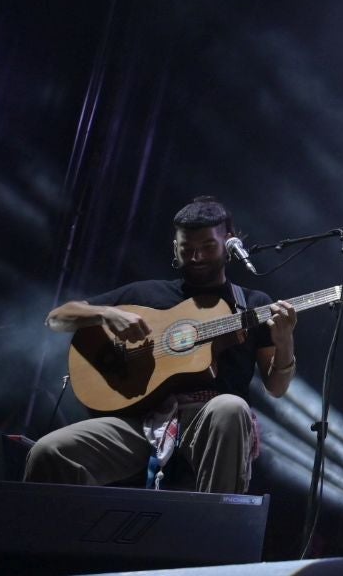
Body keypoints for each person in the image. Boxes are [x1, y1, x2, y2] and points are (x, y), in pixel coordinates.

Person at [26, 196, 297, 493]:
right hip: (140, 423)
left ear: (229, 244)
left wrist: (284, 341)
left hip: (211, 424)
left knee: (230, 407)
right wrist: (106, 314)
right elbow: (57, 318)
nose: (197, 257)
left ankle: (214, 520)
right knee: (49, 451)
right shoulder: (145, 294)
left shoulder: (252, 304)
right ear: (175, 248)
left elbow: (276, 388)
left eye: (208, 246)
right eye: (187, 248)